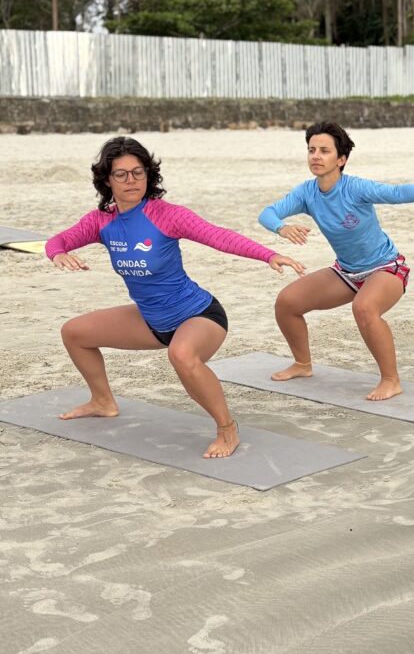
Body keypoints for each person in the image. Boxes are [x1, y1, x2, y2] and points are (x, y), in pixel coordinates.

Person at [45, 136, 305, 459]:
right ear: (107, 180)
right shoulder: (101, 222)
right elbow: (58, 240)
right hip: (152, 321)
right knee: (74, 333)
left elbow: (217, 236)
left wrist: (268, 255)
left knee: (181, 355)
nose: (131, 180)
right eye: (121, 174)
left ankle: (227, 428)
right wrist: (57, 254)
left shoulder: (165, 215)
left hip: (199, 316)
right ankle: (102, 401)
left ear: (149, 175)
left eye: (138, 172)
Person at [258, 120, 414, 401]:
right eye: (311, 150)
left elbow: (396, 193)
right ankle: (302, 364)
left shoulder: (355, 188)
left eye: (324, 151)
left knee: (365, 308)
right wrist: (281, 228)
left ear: (341, 159)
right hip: (346, 272)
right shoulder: (307, 193)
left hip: (386, 269)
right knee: (287, 302)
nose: (316, 156)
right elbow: (268, 213)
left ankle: (391, 380)